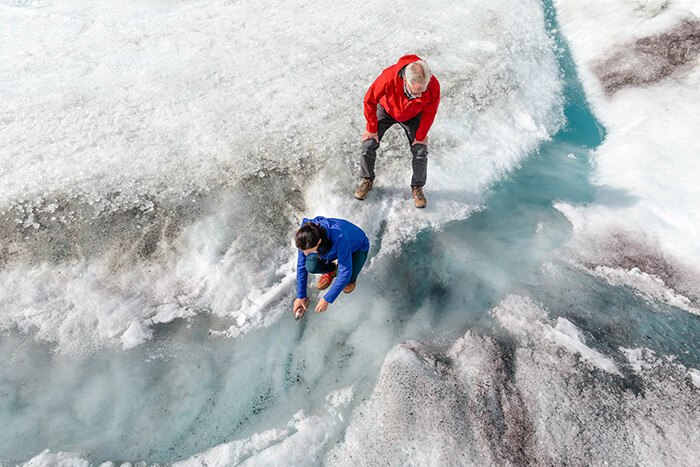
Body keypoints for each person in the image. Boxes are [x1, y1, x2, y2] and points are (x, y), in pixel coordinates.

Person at [355, 55, 441, 208]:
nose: (420, 95)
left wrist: (420, 136)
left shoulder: (433, 85)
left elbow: (430, 112)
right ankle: (367, 180)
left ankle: (417, 187)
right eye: (416, 92)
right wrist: (371, 127)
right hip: (386, 110)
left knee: (420, 149)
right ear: (406, 82)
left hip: (413, 115)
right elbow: (369, 100)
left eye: (423, 91)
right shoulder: (389, 77)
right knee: (368, 143)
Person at [293, 216, 370, 319]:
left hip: (356, 248)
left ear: (318, 242)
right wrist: (300, 296)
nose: (305, 254)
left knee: (347, 281)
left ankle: (349, 273)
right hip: (329, 248)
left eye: (308, 250)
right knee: (311, 266)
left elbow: (345, 272)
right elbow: (301, 265)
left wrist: (327, 299)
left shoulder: (340, 237)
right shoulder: (305, 235)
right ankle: (332, 270)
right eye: (303, 251)